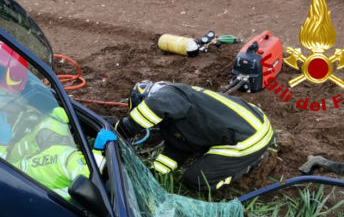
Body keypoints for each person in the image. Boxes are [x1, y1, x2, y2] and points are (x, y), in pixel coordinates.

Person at [116, 80, 274, 191]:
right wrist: (152, 174)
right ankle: (244, 157)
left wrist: (123, 129)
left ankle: (245, 166)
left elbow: (155, 105)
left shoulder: (172, 93)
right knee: (194, 170)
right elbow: (176, 151)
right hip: (253, 121)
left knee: (197, 181)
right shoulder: (176, 117)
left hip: (250, 136)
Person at [0, 107, 103, 198]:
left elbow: (0, 172)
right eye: (44, 135)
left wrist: (1, 144)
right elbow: (89, 183)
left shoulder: (28, 162)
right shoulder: (66, 156)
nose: (45, 137)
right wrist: (97, 152)